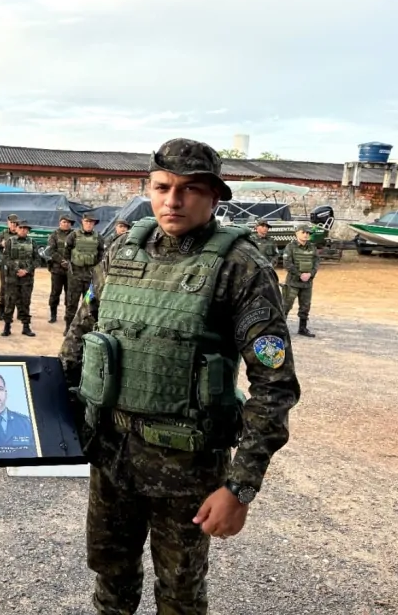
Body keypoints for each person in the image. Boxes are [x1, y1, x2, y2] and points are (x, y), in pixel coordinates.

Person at [59, 138, 301, 615]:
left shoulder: (240, 266)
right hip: (111, 456)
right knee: (110, 578)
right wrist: (53, 423)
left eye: (189, 189)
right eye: (162, 187)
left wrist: (240, 487)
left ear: (215, 197)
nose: (173, 200)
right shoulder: (121, 250)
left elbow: (275, 386)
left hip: (188, 469)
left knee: (180, 596)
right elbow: (79, 339)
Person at [63, 213, 105, 335]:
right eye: (87, 221)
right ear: (82, 222)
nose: (89, 224)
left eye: (91, 222)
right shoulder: (73, 235)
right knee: (72, 302)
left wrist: (96, 270)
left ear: (94, 224)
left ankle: (86, 328)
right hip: (75, 276)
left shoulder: (98, 237)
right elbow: (66, 252)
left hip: (90, 277)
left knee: (89, 302)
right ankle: (69, 327)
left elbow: (101, 254)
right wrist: (70, 266)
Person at [281, 223, 319, 337]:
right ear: (297, 233)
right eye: (303, 232)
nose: (306, 235)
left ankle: (302, 328)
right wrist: (299, 274)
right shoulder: (290, 247)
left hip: (307, 283)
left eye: (308, 233)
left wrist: (310, 274)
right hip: (293, 283)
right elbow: (287, 263)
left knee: (305, 307)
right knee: (286, 305)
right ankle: (280, 329)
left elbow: (316, 262)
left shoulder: (312, 247)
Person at [1, 220, 37, 337]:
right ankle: (7, 327)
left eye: (25, 228)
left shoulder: (32, 242)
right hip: (12, 278)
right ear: (16, 229)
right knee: (9, 302)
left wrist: (26, 271)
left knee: (25, 302)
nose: (22, 230)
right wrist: (17, 269)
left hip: (27, 279)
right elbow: (6, 258)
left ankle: (26, 327)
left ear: (28, 230)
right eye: (20, 228)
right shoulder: (10, 241)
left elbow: (37, 260)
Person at [45, 214, 75, 324]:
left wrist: (69, 262)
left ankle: (68, 315)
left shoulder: (75, 235)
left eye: (68, 222)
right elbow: (51, 250)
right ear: (60, 223)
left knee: (70, 293)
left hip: (71, 269)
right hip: (57, 269)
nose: (66, 224)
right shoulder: (54, 235)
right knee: (55, 292)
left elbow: (77, 250)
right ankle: (53, 315)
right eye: (64, 222)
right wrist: (62, 261)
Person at [0, 214, 19, 320]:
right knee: (4, 288)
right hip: (5, 266)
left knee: (18, 288)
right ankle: (1, 311)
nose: (14, 225)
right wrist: (1, 245)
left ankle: (17, 312)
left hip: (18, 265)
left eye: (15, 223)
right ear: (8, 223)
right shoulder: (2, 234)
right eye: (12, 223)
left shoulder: (21, 234)